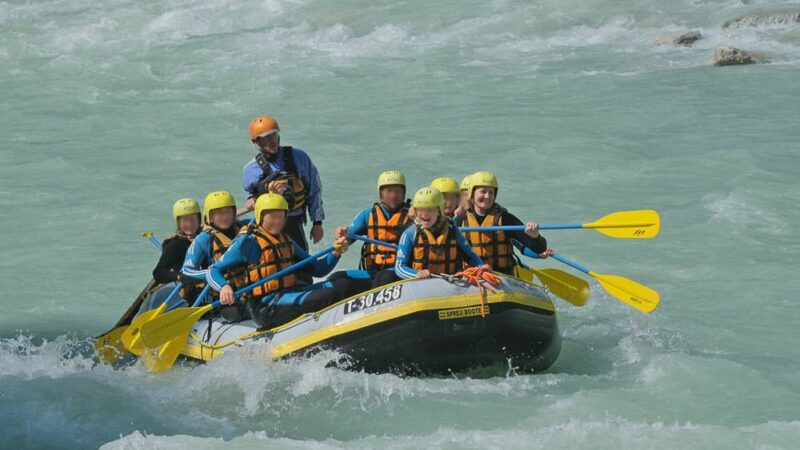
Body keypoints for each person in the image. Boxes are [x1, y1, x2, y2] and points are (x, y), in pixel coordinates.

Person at [207, 194, 350, 329]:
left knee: (342, 284)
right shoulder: (248, 243)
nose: (278, 221)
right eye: (273, 217)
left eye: (281, 216)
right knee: (328, 295)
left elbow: (319, 269)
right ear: (260, 217)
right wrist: (224, 287)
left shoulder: (285, 240)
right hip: (265, 306)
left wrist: (336, 252)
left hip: (288, 293)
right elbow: (213, 270)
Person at [241, 116, 324, 251]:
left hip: (293, 221)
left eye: (274, 135)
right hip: (267, 225)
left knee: (302, 264)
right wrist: (250, 198)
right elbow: (251, 194)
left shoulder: (299, 157)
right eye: (266, 138)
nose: (272, 140)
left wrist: (317, 222)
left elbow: (315, 190)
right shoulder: (251, 170)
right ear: (256, 142)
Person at [329, 171, 412, 298]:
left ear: (404, 193)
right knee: (337, 278)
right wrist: (342, 236)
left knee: (384, 277)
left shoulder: (414, 215)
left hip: (398, 270)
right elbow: (348, 237)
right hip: (372, 271)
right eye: (389, 191)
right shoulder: (368, 215)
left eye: (397, 191)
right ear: (381, 193)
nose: (394, 195)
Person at [455, 171, 552, 276]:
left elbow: (539, 248)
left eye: (491, 192)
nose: (487, 196)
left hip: (502, 276)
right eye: (483, 191)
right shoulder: (460, 220)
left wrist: (535, 237)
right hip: (471, 275)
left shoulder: (506, 218)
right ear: (472, 193)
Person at [393, 187, 486, 280]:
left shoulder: (453, 231)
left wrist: (481, 267)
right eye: (420, 209)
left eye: (430, 209)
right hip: (421, 285)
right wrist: (416, 274)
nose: (424, 214)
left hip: (450, 283)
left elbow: (471, 257)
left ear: (439, 211)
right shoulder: (410, 234)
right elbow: (399, 267)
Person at [181, 191, 244, 306]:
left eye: (228, 212)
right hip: (220, 296)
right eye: (219, 213)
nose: (225, 217)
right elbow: (186, 272)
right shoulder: (204, 239)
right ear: (210, 216)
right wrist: (215, 278)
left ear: (234, 212)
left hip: (246, 290)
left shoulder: (243, 230)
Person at [152, 198, 202, 285]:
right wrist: (179, 276)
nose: (189, 224)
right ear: (178, 223)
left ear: (199, 220)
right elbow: (158, 273)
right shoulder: (175, 245)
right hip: (194, 290)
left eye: (193, 219)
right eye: (185, 220)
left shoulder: (206, 236)